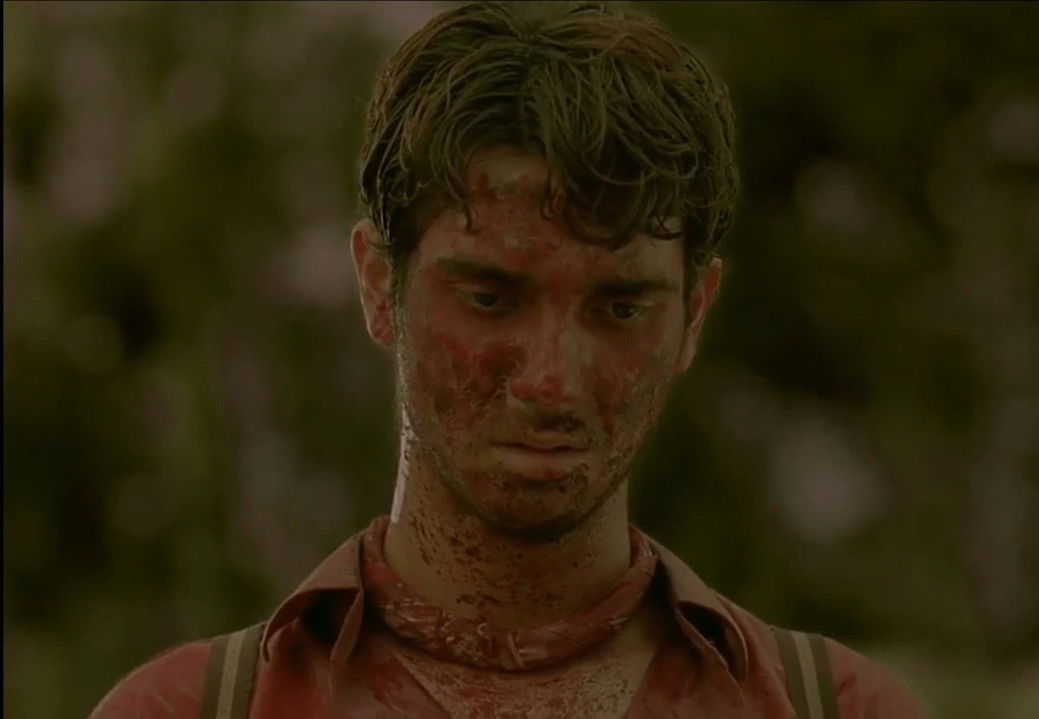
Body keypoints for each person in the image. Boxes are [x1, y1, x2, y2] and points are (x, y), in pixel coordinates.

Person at [91, 2, 927, 717]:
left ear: (694, 314)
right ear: (379, 285)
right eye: (491, 297)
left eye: (620, 306)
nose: (550, 380)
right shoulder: (188, 710)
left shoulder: (837, 708)